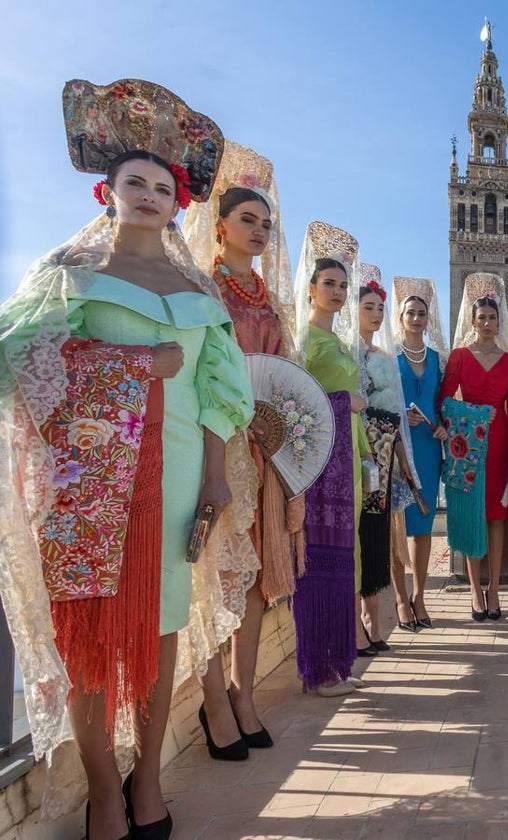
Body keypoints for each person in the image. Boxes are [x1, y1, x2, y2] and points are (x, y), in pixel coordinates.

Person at [0, 78, 255, 840]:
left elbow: (220, 395)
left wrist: (215, 479)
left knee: (163, 622)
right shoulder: (66, 276)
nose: (148, 195)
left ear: (180, 203)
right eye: (132, 183)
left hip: (178, 479)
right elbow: (17, 362)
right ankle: (105, 792)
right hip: (84, 484)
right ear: (105, 193)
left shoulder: (197, 289)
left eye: (162, 187)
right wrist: (133, 366)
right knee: (87, 633)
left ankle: (148, 780)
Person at [182, 141, 300, 760]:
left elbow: (282, 379)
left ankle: (243, 693)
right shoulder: (201, 291)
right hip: (210, 451)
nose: (257, 231)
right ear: (220, 225)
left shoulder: (268, 302)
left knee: (252, 584)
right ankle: (213, 704)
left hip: (260, 458)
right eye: (246, 220)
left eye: (265, 223)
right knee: (210, 582)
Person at [292, 221, 369, 697]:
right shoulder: (305, 342)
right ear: (311, 288)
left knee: (343, 557)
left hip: (344, 459)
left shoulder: (337, 341)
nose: (338, 292)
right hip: (320, 464)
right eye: (329, 284)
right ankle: (317, 670)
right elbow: (299, 400)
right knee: (320, 559)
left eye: (343, 285)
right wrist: (350, 401)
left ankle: (335, 663)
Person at [439, 274, 508, 621]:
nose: (487, 323)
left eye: (492, 317)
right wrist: (470, 417)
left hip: (500, 445)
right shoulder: (459, 356)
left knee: (497, 519)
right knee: (473, 516)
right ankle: (474, 589)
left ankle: (495, 589)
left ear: (499, 321)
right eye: (481, 317)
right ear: (472, 321)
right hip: (468, 446)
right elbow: (443, 399)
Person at [355, 266, 419, 643]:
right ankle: (359, 626)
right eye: (369, 306)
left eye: (380, 307)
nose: (376, 314)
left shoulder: (384, 356)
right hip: (352, 451)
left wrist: (402, 458)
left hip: (382, 457)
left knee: (377, 536)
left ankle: (373, 623)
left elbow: (393, 415)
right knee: (357, 537)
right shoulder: (346, 353)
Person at [392, 277, 449, 628]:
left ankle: (420, 596)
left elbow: (442, 403)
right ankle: (400, 599)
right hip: (398, 448)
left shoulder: (437, 360)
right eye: (410, 313)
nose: (416, 318)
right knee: (399, 526)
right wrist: (401, 418)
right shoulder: (389, 357)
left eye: (421, 313)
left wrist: (443, 424)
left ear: (428, 320)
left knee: (423, 526)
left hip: (428, 447)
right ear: (400, 317)